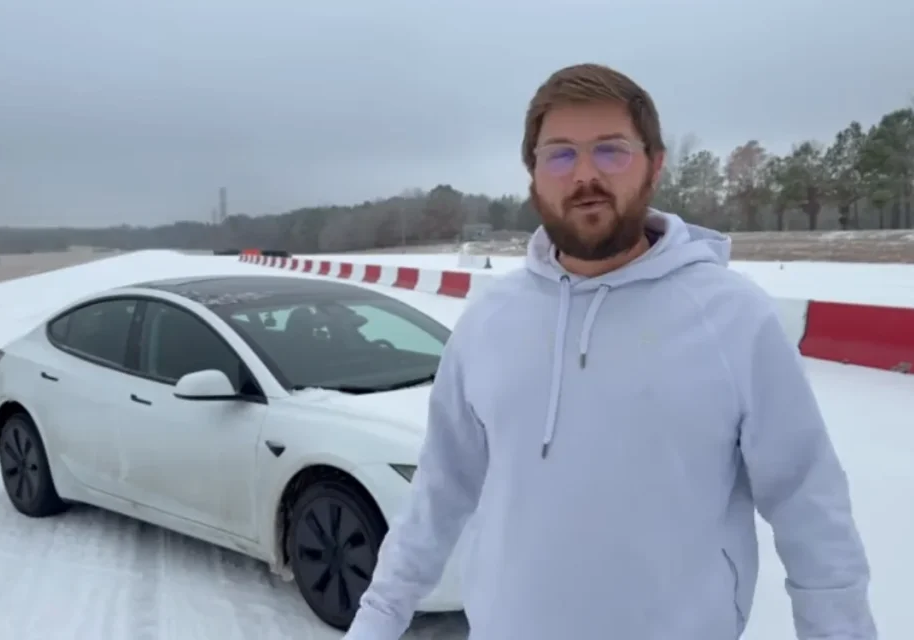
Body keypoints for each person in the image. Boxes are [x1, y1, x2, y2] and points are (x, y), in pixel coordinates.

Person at [343, 63, 875, 639]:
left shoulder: (733, 318)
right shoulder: (489, 321)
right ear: (533, 174)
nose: (585, 175)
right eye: (560, 155)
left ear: (655, 164)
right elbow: (439, 491)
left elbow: (808, 504)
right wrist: (377, 620)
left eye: (611, 151)